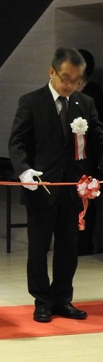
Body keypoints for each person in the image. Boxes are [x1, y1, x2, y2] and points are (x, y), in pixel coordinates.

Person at [9, 47, 103, 323]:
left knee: (68, 247)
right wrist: (24, 171)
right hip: (42, 187)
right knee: (38, 247)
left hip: (74, 188)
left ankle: (63, 298)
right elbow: (17, 143)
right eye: (65, 78)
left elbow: (97, 140)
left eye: (76, 80)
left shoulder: (84, 104)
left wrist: (95, 174)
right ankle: (42, 300)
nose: (70, 85)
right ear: (51, 72)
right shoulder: (31, 102)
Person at [78, 49, 103, 254]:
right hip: (72, 156)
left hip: (89, 156)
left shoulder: (92, 92)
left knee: (87, 198)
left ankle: (85, 243)